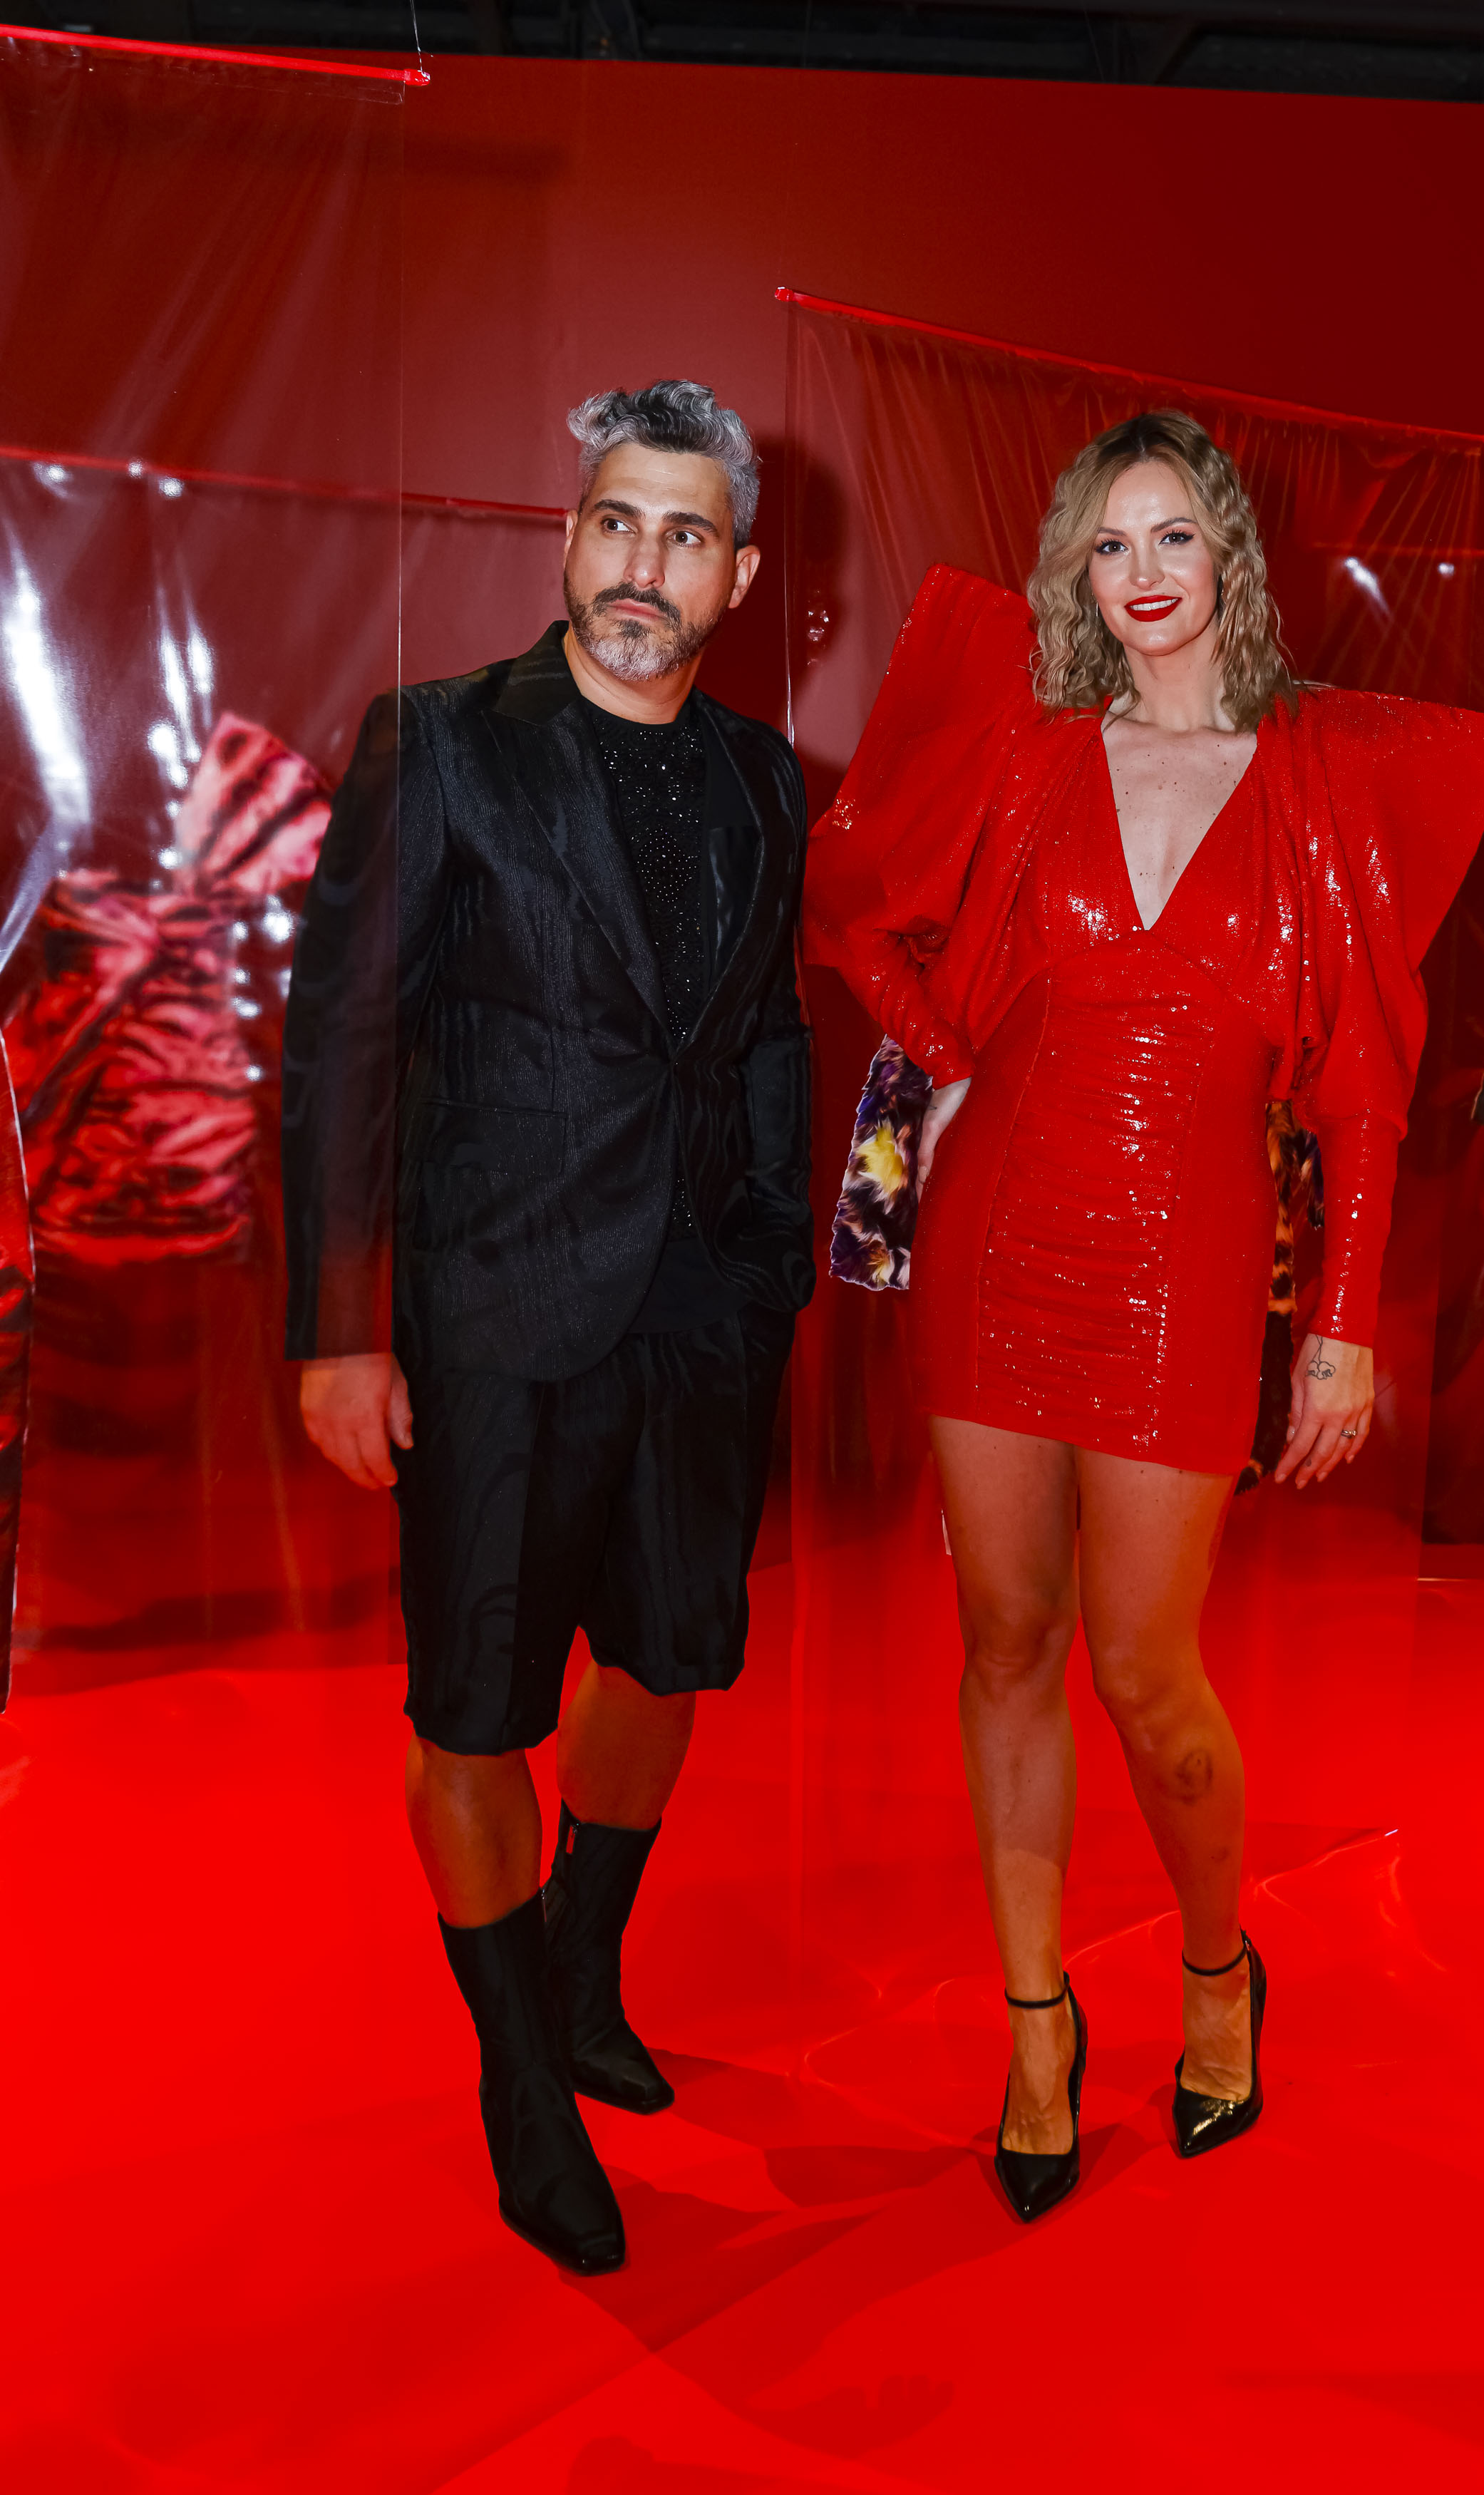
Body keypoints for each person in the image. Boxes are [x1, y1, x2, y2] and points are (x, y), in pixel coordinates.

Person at [805, 411, 1484, 2223]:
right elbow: (852, 899)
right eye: (1108, 543)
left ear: (1227, 561)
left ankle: (1216, 1966)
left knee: (1145, 1675)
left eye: (1173, 535)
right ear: (1077, 571)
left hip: (1186, 1275)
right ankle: (1037, 2028)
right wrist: (952, 1061)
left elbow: (1365, 1086)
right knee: (1006, 1646)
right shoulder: (1032, 749)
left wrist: (1339, 1325)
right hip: (994, 1246)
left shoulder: (1312, 778)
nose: (1141, 572)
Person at [282, 381, 813, 2273]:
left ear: (738, 572)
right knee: (474, 1707)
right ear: (569, 537)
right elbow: (342, 1041)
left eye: (683, 533)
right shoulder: (440, 742)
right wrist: (340, 1327)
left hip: (697, 1315)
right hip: (494, 1309)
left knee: (666, 1664)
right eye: (613, 521)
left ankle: (582, 1973)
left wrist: (772, 1260)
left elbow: (766, 1028)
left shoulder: (766, 777)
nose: (639, 564)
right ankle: (520, 2079)